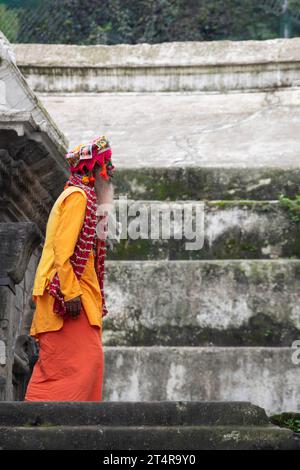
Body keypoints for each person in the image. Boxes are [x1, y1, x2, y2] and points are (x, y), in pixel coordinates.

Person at [24, 135, 116, 401]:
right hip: (65, 296)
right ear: (96, 171)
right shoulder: (77, 197)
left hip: (78, 296)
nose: (109, 178)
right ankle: (36, 423)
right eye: (107, 171)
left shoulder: (85, 198)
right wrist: (71, 292)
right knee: (83, 362)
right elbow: (63, 251)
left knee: (77, 365)